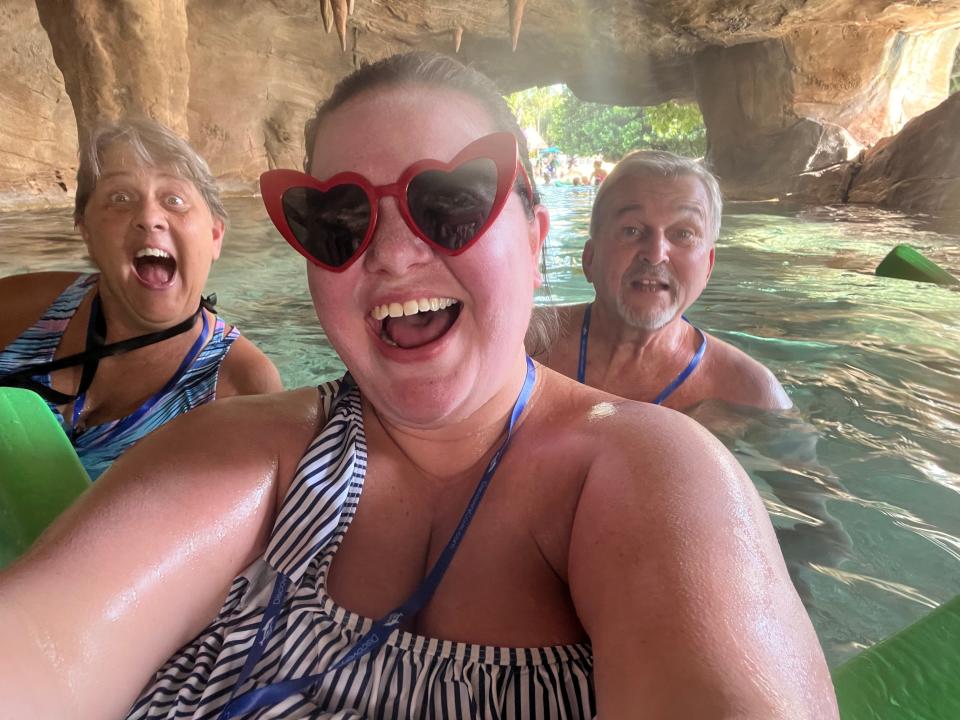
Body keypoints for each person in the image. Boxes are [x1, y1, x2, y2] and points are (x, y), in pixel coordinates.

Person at [0, 53, 838, 719]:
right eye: (340, 218)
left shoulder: (654, 470)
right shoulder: (240, 446)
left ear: (538, 238)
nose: (393, 253)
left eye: (451, 201)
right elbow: (40, 645)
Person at [0, 119, 282, 480]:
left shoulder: (241, 388)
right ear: (85, 229)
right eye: (120, 198)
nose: (149, 218)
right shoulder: (20, 306)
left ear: (214, 236)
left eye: (174, 200)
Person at [537, 150, 793, 412]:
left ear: (708, 266)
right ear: (589, 258)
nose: (656, 254)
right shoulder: (526, 344)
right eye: (632, 230)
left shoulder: (751, 395)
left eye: (683, 233)